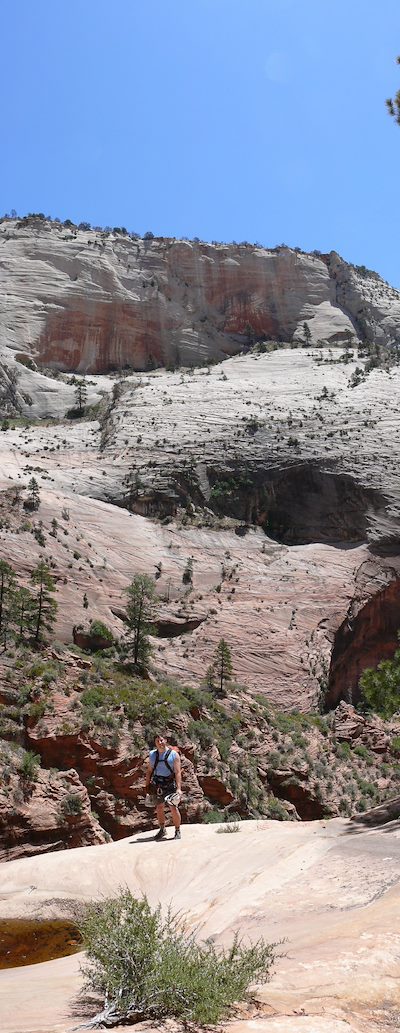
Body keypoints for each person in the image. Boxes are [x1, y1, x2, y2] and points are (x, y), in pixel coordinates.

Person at [144, 733, 182, 840]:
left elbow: (178, 772)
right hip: (158, 784)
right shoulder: (152, 754)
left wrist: (179, 788)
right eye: (157, 741)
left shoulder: (174, 754)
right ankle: (162, 829)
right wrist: (147, 786)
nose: (160, 743)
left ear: (165, 740)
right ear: (155, 743)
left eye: (161, 740)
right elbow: (149, 771)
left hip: (170, 784)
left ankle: (177, 830)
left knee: (173, 807)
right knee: (159, 807)